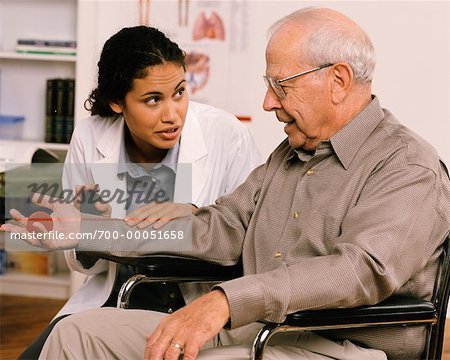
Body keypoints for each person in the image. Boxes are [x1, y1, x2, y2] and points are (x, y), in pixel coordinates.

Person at [3, 7, 450, 360]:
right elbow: (217, 227)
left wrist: (225, 301)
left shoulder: (407, 167)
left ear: (338, 81)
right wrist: (87, 231)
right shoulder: (289, 155)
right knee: (78, 335)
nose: (267, 102)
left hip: (335, 345)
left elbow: (359, 270)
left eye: (281, 85)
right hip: (254, 332)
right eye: (267, 84)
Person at [13, 25, 262, 359]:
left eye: (179, 92)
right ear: (117, 102)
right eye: (153, 100)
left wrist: (195, 214)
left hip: (193, 301)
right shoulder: (90, 135)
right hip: (112, 294)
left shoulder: (225, 134)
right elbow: (83, 265)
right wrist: (88, 229)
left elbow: (251, 241)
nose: (173, 115)